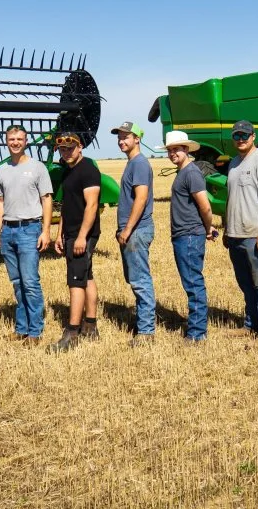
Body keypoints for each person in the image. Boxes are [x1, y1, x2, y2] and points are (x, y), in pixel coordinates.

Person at [0, 124, 53, 346]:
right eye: (11, 139)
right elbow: (0, 201)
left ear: (26, 141)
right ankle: (22, 328)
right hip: (8, 230)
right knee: (17, 282)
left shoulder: (37, 168)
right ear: (6, 141)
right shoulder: (2, 170)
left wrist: (46, 231)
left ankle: (35, 331)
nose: (15, 142)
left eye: (19, 139)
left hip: (30, 229)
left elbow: (47, 199)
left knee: (30, 282)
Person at [223, 120, 258, 340]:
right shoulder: (234, 163)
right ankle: (251, 324)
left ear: (253, 136)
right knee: (245, 282)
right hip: (236, 233)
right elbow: (231, 198)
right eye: (237, 136)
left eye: (244, 135)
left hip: (255, 234)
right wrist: (228, 229)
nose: (240, 139)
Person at [49, 131, 102, 353]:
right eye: (62, 149)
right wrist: (60, 233)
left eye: (70, 148)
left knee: (75, 281)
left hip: (83, 234)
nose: (67, 152)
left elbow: (91, 206)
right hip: (70, 232)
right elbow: (67, 206)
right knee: (86, 277)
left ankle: (72, 332)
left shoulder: (88, 170)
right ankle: (90, 325)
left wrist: (81, 237)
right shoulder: (68, 171)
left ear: (80, 147)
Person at [165, 130, 219, 343]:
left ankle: (197, 333)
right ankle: (196, 328)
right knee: (191, 281)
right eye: (170, 150)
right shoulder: (183, 172)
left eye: (177, 149)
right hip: (184, 234)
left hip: (188, 235)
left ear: (186, 149)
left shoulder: (191, 173)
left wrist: (207, 228)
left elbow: (205, 206)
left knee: (193, 283)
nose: (173, 153)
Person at [113, 120, 156, 347]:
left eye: (126, 137)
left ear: (137, 139)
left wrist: (127, 229)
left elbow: (141, 198)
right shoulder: (132, 163)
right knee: (135, 279)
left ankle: (146, 331)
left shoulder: (139, 163)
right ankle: (143, 324)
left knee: (140, 280)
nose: (121, 140)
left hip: (137, 231)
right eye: (119, 137)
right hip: (132, 231)